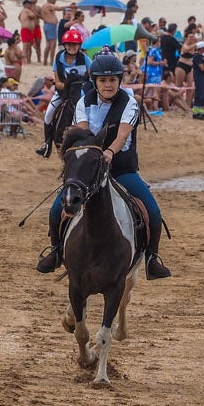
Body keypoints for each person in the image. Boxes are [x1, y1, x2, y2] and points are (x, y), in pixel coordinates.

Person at [35, 54, 172, 279]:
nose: (108, 85)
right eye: (103, 80)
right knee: (56, 210)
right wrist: (93, 157)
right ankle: (57, 251)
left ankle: (152, 259)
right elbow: (83, 134)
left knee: (154, 213)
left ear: (119, 80)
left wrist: (109, 152)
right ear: (95, 81)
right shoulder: (83, 102)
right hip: (91, 170)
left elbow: (123, 134)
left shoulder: (130, 102)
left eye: (112, 80)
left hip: (122, 169)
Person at [35, 31, 91, 158]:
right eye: (69, 45)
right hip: (63, 93)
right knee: (49, 114)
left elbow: (92, 77)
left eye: (75, 45)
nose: (72, 47)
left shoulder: (85, 59)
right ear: (65, 45)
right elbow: (58, 82)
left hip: (81, 93)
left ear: (79, 45)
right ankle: (47, 144)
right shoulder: (58, 59)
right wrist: (68, 85)